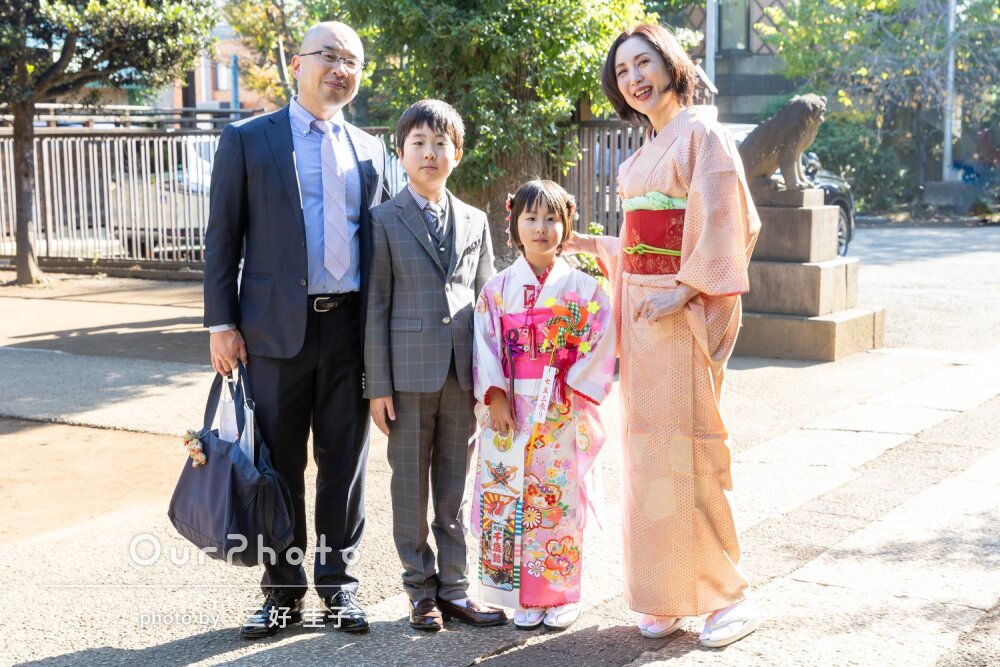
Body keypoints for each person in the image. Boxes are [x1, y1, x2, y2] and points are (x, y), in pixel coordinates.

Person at [566, 23, 763, 647]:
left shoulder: (703, 134)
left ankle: (727, 596)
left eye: (643, 63)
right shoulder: (642, 153)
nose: (634, 79)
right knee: (648, 454)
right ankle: (666, 591)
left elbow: (727, 219)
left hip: (683, 311)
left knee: (692, 448)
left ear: (671, 64)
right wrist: (588, 244)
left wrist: (686, 287)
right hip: (643, 314)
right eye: (622, 71)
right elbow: (637, 244)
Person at [203, 21, 389, 639]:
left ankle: (339, 587)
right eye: (329, 56)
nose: (341, 69)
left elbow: (377, 245)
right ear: (298, 64)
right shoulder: (248, 139)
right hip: (273, 332)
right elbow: (223, 237)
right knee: (279, 466)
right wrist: (221, 323)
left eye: (353, 61)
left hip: (350, 332)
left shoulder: (369, 148)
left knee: (345, 464)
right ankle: (281, 592)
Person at [364, 99, 504, 631]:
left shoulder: (475, 220)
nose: (429, 153)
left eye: (440, 144)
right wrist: (377, 385)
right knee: (409, 488)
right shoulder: (383, 219)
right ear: (400, 154)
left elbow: (488, 305)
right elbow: (375, 306)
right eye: (418, 143)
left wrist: (492, 382)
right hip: (406, 378)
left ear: (457, 154)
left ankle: (456, 589)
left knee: (453, 488)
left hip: (462, 377)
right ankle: (419, 590)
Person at [472, 180, 616, 631]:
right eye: (530, 218)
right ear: (514, 223)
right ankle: (521, 596)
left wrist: (572, 387)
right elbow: (486, 345)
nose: (541, 228)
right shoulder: (497, 289)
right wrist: (495, 396)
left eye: (551, 219)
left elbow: (601, 338)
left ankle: (560, 593)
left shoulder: (585, 289)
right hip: (511, 408)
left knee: (557, 500)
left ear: (566, 224)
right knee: (510, 496)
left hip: (562, 408)